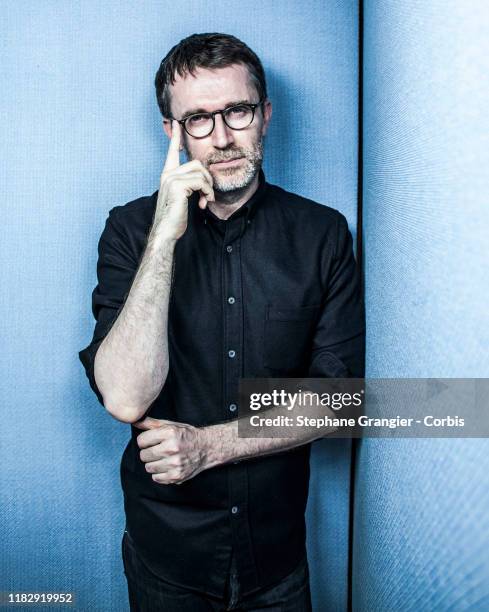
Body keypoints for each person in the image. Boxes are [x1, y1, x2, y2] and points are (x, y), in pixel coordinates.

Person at [79, 32, 365, 612]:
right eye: (199, 120)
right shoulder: (130, 231)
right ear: (173, 132)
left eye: (237, 111)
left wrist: (207, 446)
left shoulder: (322, 234)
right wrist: (164, 239)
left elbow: (341, 401)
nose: (223, 137)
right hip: (168, 558)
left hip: (278, 560)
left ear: (264, 115)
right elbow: (126, 397)